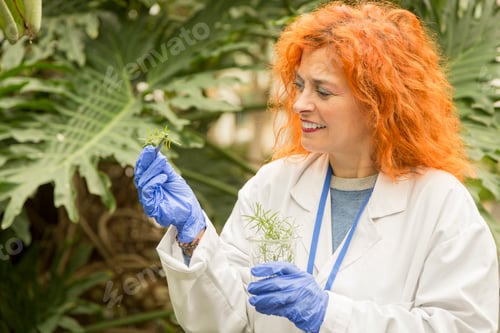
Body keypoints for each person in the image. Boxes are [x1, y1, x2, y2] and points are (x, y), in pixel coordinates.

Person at [133, 1, 499, 332]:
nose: (299, 105)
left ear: (379, 105)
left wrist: (329, 314)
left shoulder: (440, 203)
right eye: (300, 86)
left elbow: (465, 327)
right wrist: (193, 234)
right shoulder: (273, 185)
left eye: (323, 92)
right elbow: (225, 322)